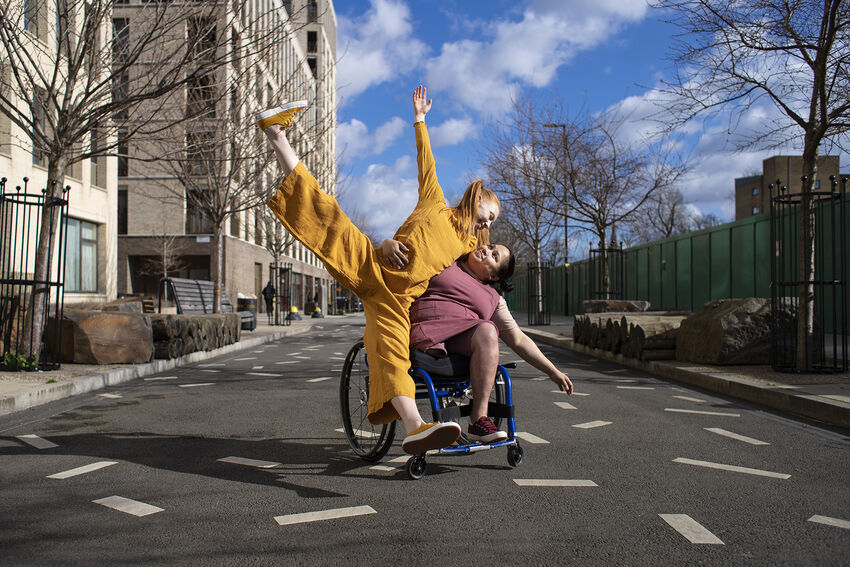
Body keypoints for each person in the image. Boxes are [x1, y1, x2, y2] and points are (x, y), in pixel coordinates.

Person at [258, 86, 502, 454]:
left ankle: (416, 427)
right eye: (490, 211)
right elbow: (427, 161)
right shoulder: (435, 201)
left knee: (389, 351)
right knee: (327, 214)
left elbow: (478, 280)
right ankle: (276, 134)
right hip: (373, 265)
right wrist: (420, 120)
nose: (490, 220)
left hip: (397, 301)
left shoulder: (470, 247)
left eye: (494, 220)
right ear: (477, 197)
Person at [381, 240, 574, 443]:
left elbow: (518, 339)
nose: (487, 251)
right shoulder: (446, 260)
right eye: (490, 247)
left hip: (464, 345)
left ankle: (478, 420)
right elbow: (414, 249)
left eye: (494, 256)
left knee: (488, 330)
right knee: (486, 329)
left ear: (494, 276)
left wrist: (553, 371)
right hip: (425, 337)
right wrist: (387, 246)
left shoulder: (494, 298)